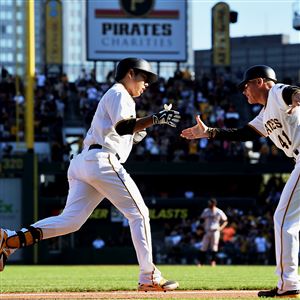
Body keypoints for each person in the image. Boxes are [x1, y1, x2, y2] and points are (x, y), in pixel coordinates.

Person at [0, 57, 181, 292]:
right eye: (144, 77)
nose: (146, 84)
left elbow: (123, 130)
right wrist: (154, 119)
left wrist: (142, 128)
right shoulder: (119, 93)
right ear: (129, 74)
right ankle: (149, 276)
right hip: (101, 161)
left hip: (85, 161)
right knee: (139, 213)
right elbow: (123, 127)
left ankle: (11, 239)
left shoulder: (119, 97)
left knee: (70, 221)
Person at [181, 65, 300, 298]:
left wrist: (297, 97)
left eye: (246, 86)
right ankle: (288, 282)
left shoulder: (276, 92)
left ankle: (289, 283)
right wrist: (210, 132)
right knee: (286, 220)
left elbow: (292, 92)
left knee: (283, 219)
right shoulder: (265, 114)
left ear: (260, 81)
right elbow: (243, 134)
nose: (244, 91)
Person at [197, 198, 228, 267]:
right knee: (203, 246)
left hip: (215, 231)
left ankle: (213, 262)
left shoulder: (219, 211)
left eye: (210, 203)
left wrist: (221, 228)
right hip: (207, 231)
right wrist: (201, 228)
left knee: (214, 247)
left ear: (214, 204)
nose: (209, 204)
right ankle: (201, 262)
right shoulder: (206, 211)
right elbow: (201, 220)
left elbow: (225, 220)